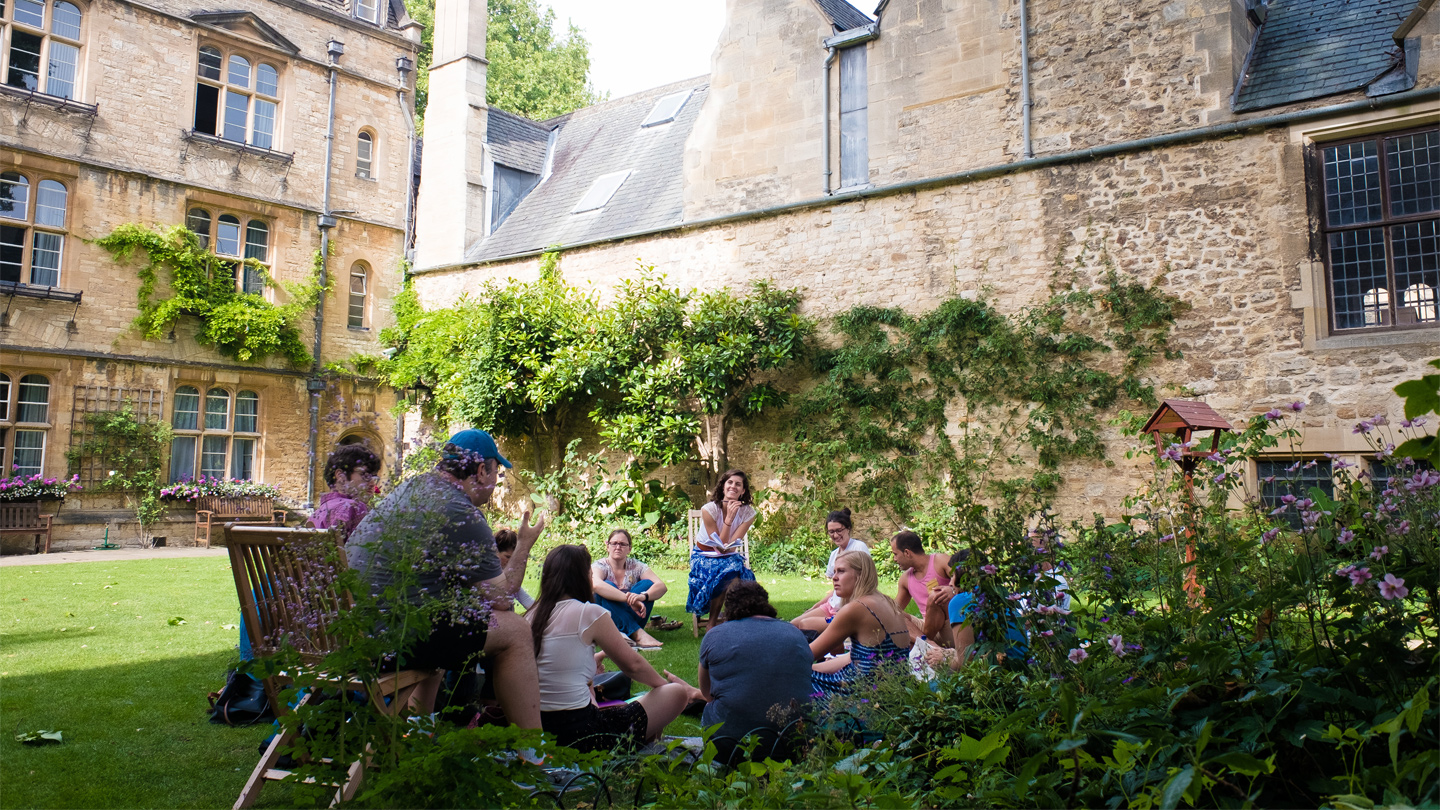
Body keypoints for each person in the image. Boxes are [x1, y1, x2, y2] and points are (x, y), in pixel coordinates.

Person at [345, 429, 544, 727]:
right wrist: (525, 543)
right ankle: (535, 755)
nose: (495, 482)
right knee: (514, 630)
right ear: (480, 470)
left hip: (348, 633)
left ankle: (418, 736)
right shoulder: (459, 511)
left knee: (443, 626)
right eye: (496, 472)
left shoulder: (408, 489)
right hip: (388, 642)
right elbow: (502, 600)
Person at [529, 544, 699, 752]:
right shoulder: (588, 613)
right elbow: (633, 665)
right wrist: (661, 687)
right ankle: (641, 745)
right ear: (582, 577)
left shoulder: (530, 616)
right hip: (583, 733)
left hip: (539, 726)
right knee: (675, 693)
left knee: (611, 697)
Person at [697, 580, 812, 740]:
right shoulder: (795, 633)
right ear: (764, 602)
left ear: (728, 607)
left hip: (730, 744)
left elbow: (707, 692)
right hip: (794, 739)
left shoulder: (715, 635)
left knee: (711, 708)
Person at [809, 551, 914, 696]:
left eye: (841, 571)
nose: (834, 578)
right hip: (893, 693)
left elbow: (806, 654)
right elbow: (853, 657)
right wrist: (813, 669)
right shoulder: (887, 601)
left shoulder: (857, 608)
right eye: (834, 572)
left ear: (860, 575)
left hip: (862, 695)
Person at [926, 549, 1029, 672]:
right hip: (1024, 666)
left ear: (962, 574)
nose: (950, 583)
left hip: (1001, 672)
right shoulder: (1000, 591)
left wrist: (944, 658)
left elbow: (966, 663)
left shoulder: (960, 601)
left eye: (952, 575)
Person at [687, 469, 758, 626]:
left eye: (738, 484)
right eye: (730, 482)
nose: (733, 486)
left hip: (728, 557)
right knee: (729, 572)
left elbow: (729, 548)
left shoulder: (748, 513)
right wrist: (729, 519)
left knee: (735, 573)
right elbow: (721, 546)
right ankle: (714, 622)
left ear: (743, 491)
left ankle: (729, 619)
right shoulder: (709, 509)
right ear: (723, 486)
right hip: (703, 557)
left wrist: (732, 519)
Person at [792, 509, 870, 633]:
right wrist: (815, 606)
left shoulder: (858, 547)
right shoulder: (834, 554)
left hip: (845, 610)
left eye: (839, 530)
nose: (835, 535)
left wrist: (848, 610)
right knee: (792, 625)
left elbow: (866, 582)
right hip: (831, 606)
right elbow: (835, 591)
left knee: (804, 625)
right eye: (831, 532)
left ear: (848, 528)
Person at [592, 529, 668, 649]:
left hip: (636, 615)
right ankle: (637, 634)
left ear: (629, 549)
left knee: (647, 584)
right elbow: (595, 584)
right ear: (607, 546)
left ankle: (626, 633)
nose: (618, 547)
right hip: (609, 621)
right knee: (605, 587)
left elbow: (661, 586)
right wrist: (628, 600)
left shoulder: (636, 566)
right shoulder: (600, 565)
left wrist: (642, 596)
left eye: (622, 544)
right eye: (614, 543)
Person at [889, 530, 956, 646]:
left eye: (895, 554)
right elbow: (895, 609)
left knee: (935, 596)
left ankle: (923, 645)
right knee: (894, 614)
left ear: (907, 553)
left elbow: (968, 582)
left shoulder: (941, 561)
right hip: (926, 630)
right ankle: (926, 644)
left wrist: (953, 590)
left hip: (951, 626)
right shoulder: (905, 579)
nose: (894, 559)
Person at [308, 444, 381, 542]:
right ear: (340, 475)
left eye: (374, 477)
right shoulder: (355, 508)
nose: (372, 483)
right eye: (365, 475)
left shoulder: (316, 515)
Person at [495, 528, 535, 610]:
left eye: (514, 558)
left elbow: (525, 599)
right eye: (507, 557)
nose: (511, 561)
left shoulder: (510, 576)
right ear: (495, 552)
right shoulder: (489, 574)